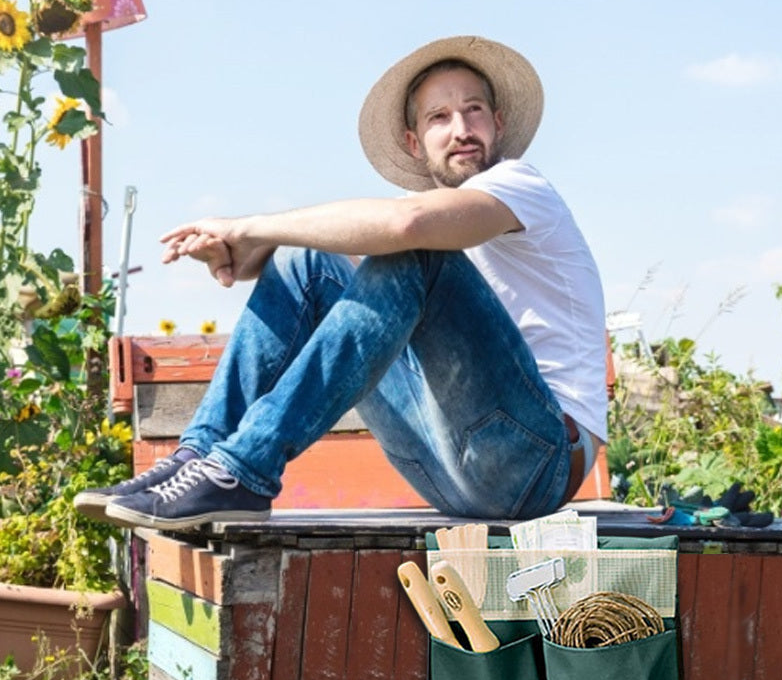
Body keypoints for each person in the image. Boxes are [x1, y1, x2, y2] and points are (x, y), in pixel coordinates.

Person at [75, 35, 608, 530]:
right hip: (444, 463)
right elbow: (320, 265)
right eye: (440, 117)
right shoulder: (421, 215)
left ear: (498, 120)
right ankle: (200, 457)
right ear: (414, 141)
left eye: (473, 110)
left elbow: (408, 228)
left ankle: (244, 468)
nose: (461, 129)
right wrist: (242, 250)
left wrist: (246, 227)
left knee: (409, 250)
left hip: (535, 462)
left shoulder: (519, 185)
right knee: (310, 256)